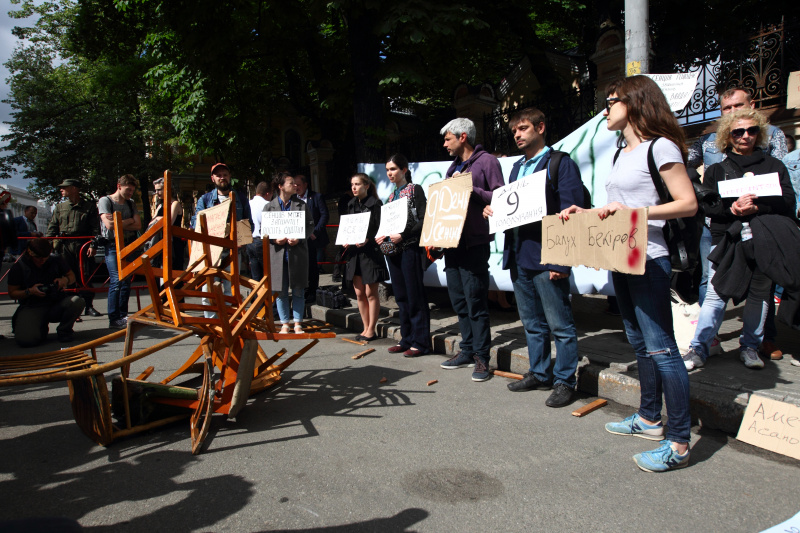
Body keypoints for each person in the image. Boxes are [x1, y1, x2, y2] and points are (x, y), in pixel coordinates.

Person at [560, 75, 697, 472]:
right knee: (639, 344)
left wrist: (635, 214)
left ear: (635, 102)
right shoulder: (622, 154)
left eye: (612, 100)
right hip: (623, 257)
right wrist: (585, 214)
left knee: (663, 349)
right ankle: (650, 419)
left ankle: (680, 442)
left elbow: (686, 203)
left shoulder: (662, 147)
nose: (605, 109)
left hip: (650, 257)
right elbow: (615, 210)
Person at [681, 108, 796, 372]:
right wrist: (732, 210)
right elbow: (709, 208)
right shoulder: (717, 170)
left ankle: (750, 347)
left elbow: (788, 201)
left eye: (751, 130)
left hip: (765, 238)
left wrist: (759, 208)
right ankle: (699, 348)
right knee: (715, 294)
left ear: (759, 133)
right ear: (728, 136)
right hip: (727, 240)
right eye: (738, 132)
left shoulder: (774, 166)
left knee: (759, 294)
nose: (745, 136)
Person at [484, 107, 582, 407]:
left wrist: (560, 262)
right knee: (531, 322)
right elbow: (514, 209)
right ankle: (540, 372)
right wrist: (494, 210)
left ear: (540, 128)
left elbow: (571, 213)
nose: (517, 135)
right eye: (514, 131)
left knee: (560, 325)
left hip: (546, 257)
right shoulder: (516, 169)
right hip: (519, 256)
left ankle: (566, 380)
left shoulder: (559, 163)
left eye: (523, 128)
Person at [437, 118, 505, 382]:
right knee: (459, 300)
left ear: (462, 137)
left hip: (475, 242)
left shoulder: (487, 162)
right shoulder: (453, 167)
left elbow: (499, 196)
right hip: (452, 242)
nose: (445, 144)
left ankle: (481, 357)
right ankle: (466, 350)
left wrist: (468, 188)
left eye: (448, 139)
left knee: (476, 301)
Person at [376, 154, 431, 357]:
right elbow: (388, 225)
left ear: (404, 170)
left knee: (414, 295)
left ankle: (421, 342)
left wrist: (403, 234)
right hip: (394, 251)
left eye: (393, 169)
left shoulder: (415, 190)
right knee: (400, 296)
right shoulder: (391, 197)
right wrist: (382, 236)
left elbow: (424, 219)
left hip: (410, 248)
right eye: (387, 170)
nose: (390, 173)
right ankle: (406, 338)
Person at [191, 163, 253, 319]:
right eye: (218, 175)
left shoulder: (240, 198)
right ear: (213, 178)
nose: (222, 178)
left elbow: (248, 222)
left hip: (233, 252)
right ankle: (212, 326)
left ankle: (226, 322)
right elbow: (195, 222)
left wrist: (242, 239)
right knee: (208, 290)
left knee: (230, 290)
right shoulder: (205, 200)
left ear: (229, 176)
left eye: (225, 174)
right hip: (210, 253)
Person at [7, 238, 84, 346]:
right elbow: (12, 293)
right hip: (33, 305)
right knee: (26, 341)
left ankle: (64, 331)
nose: (42, 260)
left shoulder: (56, 260)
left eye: (45, 257)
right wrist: (30, 291)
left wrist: (64, 280)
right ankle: (37, 326)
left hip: (55, 302)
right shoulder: (19, 267)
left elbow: (72, 276)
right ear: (31, 254)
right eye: (38, 258)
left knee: (77, 301)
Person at [265, 172, 314, 334]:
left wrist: (299, 238)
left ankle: (298, 322)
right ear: (280, 186)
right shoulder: (269, 206)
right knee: (281, 290)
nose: (295, 185)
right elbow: (264, 231)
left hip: (297, 254)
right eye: (291, 183)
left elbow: (309, 226)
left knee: (299, 289)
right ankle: (285, 323)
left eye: (295, 183)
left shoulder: (301, 205)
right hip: (278, 255)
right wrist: (274, 239)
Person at [46, 178, 102, 318]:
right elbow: (53, 227)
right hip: (65, 245)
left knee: (86, 276)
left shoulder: (88, 207)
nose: (61, 190)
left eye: (65, 187)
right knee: (67, 276)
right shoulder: (60, 208)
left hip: (82, 244)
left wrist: (93, 244)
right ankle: (72, 308)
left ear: (74, 189)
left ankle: (89, 306)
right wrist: (47, 244)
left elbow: (95, 228)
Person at [345, 173, 386, 342]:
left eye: (358, 184)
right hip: (355, 254)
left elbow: (380, 228)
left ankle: (371, 329)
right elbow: (348, 226)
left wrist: (368, 238)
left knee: (371, 292)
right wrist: (346, 239)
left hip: (370, 253)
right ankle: (364, 327)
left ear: (367, 186)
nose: (354, 187)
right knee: (359, 293)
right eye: (352, 184)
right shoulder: (351, 204)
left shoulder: (375, 204)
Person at [98, 174, 142, 329]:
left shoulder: (130, 203)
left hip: (128, 245)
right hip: (112, 245)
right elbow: (109, 226)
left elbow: (137, 226)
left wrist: (119, 222)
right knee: (116, 280)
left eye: (132, 191)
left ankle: (122, 316)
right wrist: (129, 221)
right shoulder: (106, 201)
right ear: (119, 186)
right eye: (128, 190)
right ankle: (113, 317)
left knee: (126, 283)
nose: (130, 193)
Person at [295, 174, 330, 302]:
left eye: (298, 185)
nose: (296, 187)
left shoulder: (316, 197)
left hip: (312, 238)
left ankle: (312, 292)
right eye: (294, 185)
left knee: (312, 266)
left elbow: (324, 215)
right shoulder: (293, 199)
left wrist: (315, 231)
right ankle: (303, 289)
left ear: (305, 184)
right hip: (298, 238)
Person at [148, 177, 185, 272]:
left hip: (174, 243)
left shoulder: (175, 204)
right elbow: (151, 223)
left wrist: (157, 219)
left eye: (159, 189)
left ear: (168, 189)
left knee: (173, 272)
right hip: (160, 241)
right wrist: (158, 219)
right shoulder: (160, 206)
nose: (157, 192)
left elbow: (169, 222)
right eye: (155, 190)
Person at [247, 181, 271, 280]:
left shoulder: (248, 203)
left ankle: (257, 295)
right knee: (267, 273)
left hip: (250, 240)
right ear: (268, 193)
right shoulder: (267, 204)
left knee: (255, 274)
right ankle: (267, 295)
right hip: (262, 241)